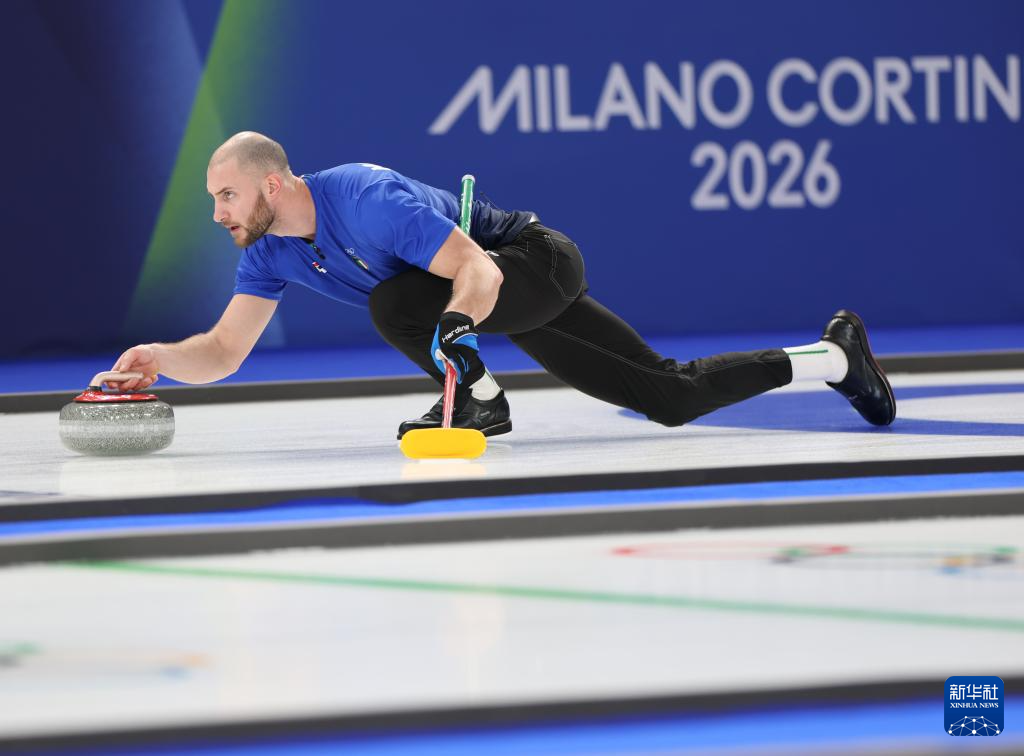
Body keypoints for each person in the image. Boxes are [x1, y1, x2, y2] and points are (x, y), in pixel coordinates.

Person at [111, 132, 896, 436]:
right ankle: (836, 358)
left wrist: (457, 336)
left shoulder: (365, 197)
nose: (218, 212)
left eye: (226, 195)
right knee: (669, 397)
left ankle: (480, 401)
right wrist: (159, 358)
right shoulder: (267, 255)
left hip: (533, 261)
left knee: (395, 301)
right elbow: (224, 350)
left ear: (273, 184)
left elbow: (478, 270)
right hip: (500, 299)